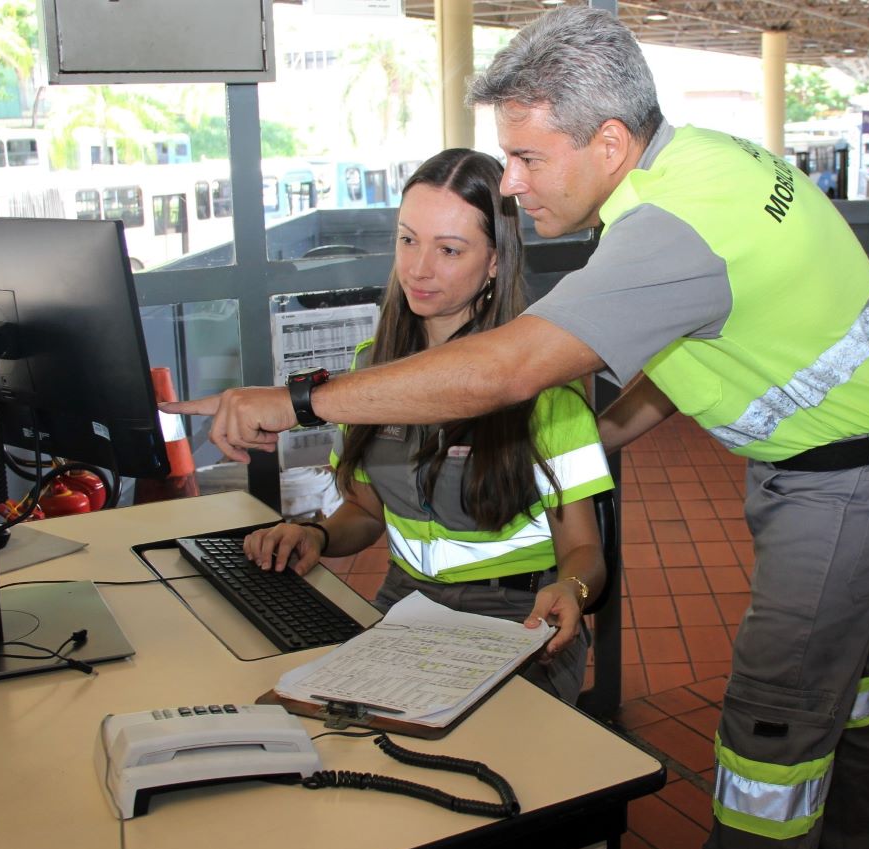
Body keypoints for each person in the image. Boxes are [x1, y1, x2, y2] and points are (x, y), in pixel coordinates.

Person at [164, 8, 869, 849]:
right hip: (840, 461)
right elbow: (695, 351)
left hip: (840, 483)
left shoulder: (674, 225)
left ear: (609, 140)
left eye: (529, 158)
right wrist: (591, 440)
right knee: (849, 697)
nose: (516, 184)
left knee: (772, 736)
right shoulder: (699, 167)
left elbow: (513, 368)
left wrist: (299, 399)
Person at [240, 148, 611, 704]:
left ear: (494, 261)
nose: (418, 268)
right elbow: (366, 511)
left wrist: (572, 589)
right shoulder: (368, 374)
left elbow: (586, 554)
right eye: (408, 240)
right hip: (406, 608)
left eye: (449, 250)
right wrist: (315, 533)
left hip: (518, 620)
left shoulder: (544, 391)